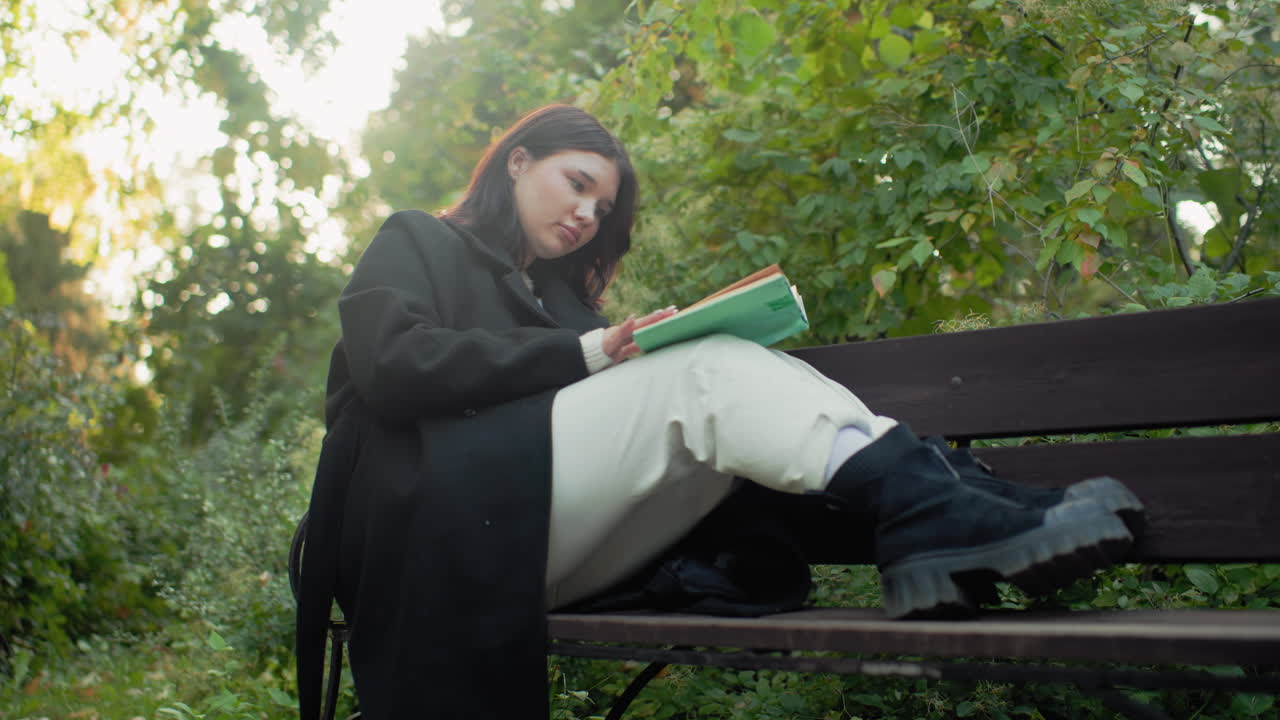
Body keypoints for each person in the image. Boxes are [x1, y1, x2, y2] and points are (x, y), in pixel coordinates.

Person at [295, 104, 1143, 720]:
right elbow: (393, 366)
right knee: (701, 371)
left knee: (735, 361)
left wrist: (612, 351)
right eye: (576, 185)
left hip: (530, 538)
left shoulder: (564, 305)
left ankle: (949, 502)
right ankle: (936, 509)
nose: (586, 215)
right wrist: (593, 354)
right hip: (427, 531)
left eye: (601, 209)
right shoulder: (419, 240)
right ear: (518, 161)